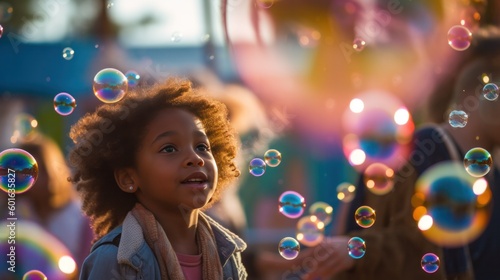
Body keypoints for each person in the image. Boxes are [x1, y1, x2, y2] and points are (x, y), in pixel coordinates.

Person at [300, 28, 500, 280]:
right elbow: (408, 245)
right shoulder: (422, 151)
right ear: (480, 91)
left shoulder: (491, 168)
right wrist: (355, 250)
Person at [68, 78, 247, 279]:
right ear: (128, 178)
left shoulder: (228, 251)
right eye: (169, 148)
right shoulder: (114, 260)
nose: (195, 158)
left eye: (202, 147)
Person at [0, 132, 94, 279]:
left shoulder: (80, 216)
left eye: (39, 171)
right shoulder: (15, 215)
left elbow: (86, 267)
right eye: (23, 172)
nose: (33, 180)